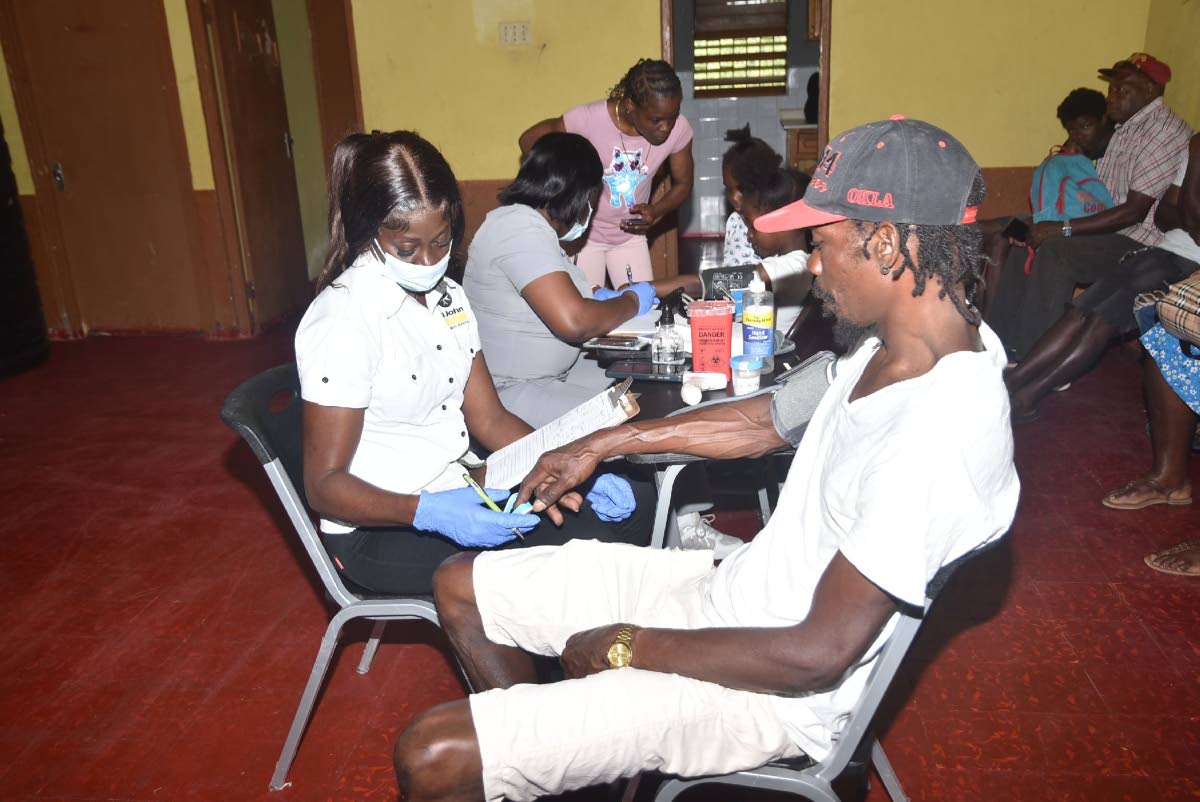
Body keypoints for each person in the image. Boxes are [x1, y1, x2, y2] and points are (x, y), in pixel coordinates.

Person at [391, 118, 1020, 802]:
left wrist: (628, 645)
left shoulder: (939, 428)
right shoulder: (883, 349)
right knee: (462, 585)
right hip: (731, 597)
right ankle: (558, 763)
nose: (811, 265)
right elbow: (764, 418)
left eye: (823, 245)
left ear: (890, 245)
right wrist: (600, 443)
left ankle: (549, 750)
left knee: (430, 753)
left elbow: (816, 653)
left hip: (767, 689)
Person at [293, 131, 650, 596]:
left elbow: (489, 418)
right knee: (574, 572)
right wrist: (428, 512)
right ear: (370, 231)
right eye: (407, 249)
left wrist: (565, 463)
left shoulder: (448, 300)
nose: (427, 262)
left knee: (629, 510)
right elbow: (323, 486)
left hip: (460, 485)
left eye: (441, 243)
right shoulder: (342, 319)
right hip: (383, 526)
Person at [988, 53, 1193, 360]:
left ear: (1150, 91)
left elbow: (1133, 212)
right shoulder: (1124, 128)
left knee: (1056, 251)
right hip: (1099, 223)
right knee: (1022, 234)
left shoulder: (1164, 133)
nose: (1111, 98)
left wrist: (1061, 228)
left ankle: (1034, 356)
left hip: (1134, 239)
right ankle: (1000, 347)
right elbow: (1087, 184)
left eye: (1122, 90)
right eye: (1112, 89)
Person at [463, 132, 658, 427]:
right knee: (631, 418)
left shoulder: (533, 229)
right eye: (592, 199)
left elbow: (577, 295)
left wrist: (601, 298)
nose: (590, 210)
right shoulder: (517, 228)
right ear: (579, 194)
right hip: (510, 392)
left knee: (645, 384)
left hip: (553, 374)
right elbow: (574, 321)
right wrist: (630, 301)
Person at [1007, 133, 1200, 422]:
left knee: (1102, 320)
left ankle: (1027, 396)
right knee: (1079, 311)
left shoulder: (1194, 149)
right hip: (1161, 250)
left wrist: (1196, 160)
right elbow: (1166, 216)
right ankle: (1013, 382)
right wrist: (1188, 211)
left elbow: (1192, 220)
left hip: (1191, 264)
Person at [519, 59, 694, 289]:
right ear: (630, 105)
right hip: (584, 238)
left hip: (630, 237)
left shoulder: (678, 129)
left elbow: (683, 184)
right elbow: (528, 140)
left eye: (673, 116)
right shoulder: (589, 119)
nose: (666, 127)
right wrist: (567, 186)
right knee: (587, 313)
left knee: (641, 310)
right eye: (656, 120)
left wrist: (656, 210)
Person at [977, 87, 1114, 315]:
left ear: (1104, 119)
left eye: (1085, 126)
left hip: (1077, 227)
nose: (1079, 135)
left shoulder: (1113, 153)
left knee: (1006, 235)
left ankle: (992, 322)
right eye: (1072, 130)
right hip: (1054, 218)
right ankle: (988, 322)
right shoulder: (1079, 155)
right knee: (999, 232)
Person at [721, 136, 783, 267]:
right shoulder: (734, 221)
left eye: (741, 189)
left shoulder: (778, 225)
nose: (734, 198)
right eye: (728, 189)